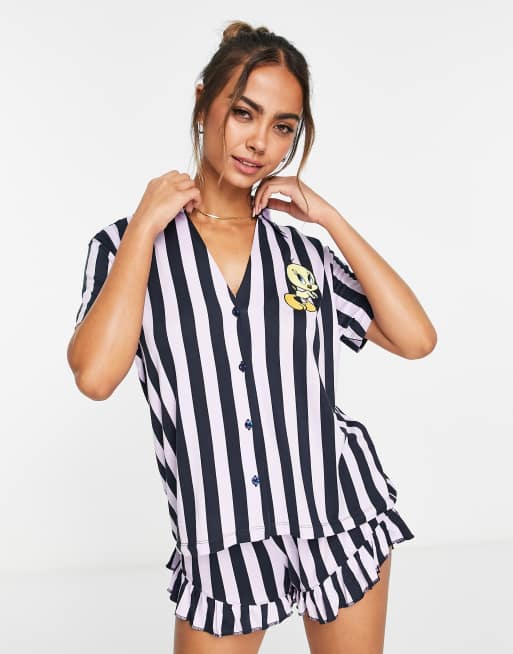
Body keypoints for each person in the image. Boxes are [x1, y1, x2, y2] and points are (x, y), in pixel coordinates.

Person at [67, 20, 436, 654]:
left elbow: (416, 338)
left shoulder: (300, 252)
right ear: (203, 102)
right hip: (221, 538)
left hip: (337, 515)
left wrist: (329, 218)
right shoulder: (126, 246)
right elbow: (96, 377)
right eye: (244, 113)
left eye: (283, 126)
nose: (260, 142)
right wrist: (145, 226)